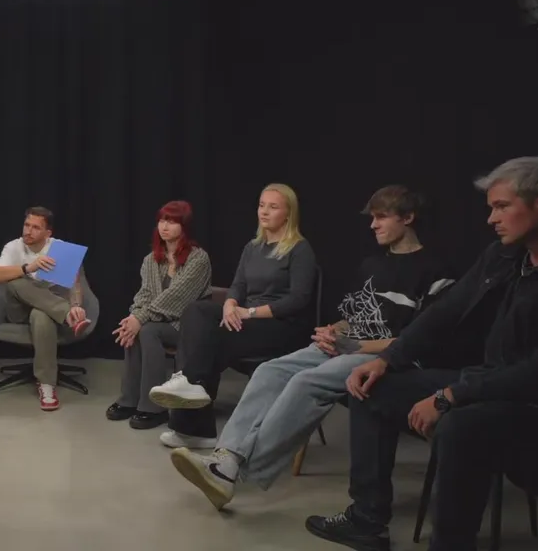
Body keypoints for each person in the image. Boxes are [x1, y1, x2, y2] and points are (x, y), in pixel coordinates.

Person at [306, 156, 538, 551]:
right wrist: (386, 360)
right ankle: (366, 521)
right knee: (369, 387)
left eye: (501, 207)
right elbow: (445, 313)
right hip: (490, 381)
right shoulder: (504, 256)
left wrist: (450, 396)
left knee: (460, 427)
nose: (491, 219)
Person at [171, 185, 456, 510]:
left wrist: (357, 345)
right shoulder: (372, 265)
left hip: (386, 357)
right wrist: (334, 330)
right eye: (372, 217)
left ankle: (233, 469)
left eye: (382, 217)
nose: (373, 225)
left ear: (408, 218)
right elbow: (354, 318)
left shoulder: (437, 271)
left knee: (306, 381)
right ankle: (224, 457)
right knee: (270, 370)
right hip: (349, 344)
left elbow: (419, 338)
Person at [149, 183, 318, 449]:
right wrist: (229, 305)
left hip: (282, 326)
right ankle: (191, 398)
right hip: (247, 319)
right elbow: (238, 285)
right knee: (197, 311)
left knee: (211, 335)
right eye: (261, 205)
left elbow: (299, 300)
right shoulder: (253, 247)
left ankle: (191, 407)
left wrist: (249, 312)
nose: (264, 212)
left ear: (288, 214)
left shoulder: (299, 249)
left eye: (273, 207)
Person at [106, 200, 212, 430]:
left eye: (172, 222)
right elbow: (144, 294)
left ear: (184, 226)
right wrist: (134, 317)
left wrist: (140, 318)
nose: (165, 226)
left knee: (147, 330)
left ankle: (154, 407)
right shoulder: (151, 259)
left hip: (188, 325)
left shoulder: (198, 259)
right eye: (162, 221)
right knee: (135, 329)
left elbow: (178, 297)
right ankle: (129, 399)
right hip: (159, 321)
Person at [0, 206, 92, 411]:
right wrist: (29, 268)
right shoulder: (13, 247)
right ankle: (67, 315)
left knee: (41, 314)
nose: (28, 231)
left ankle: (46, 385)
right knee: (15, 281)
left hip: (47, 309)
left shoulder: (60, 249)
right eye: (27, 225)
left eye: (36, 227)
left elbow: (75, 284)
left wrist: (76, 306)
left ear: (47, 233)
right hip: (18, 310)